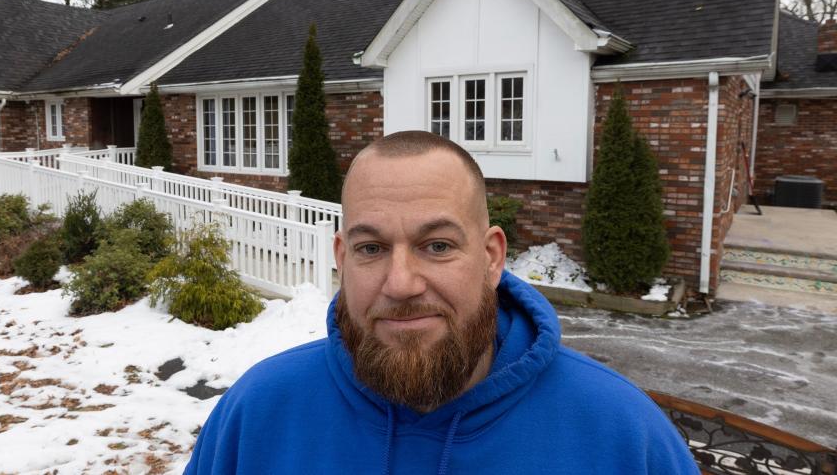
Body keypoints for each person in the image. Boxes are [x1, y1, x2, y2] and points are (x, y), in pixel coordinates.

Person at [182, 130, 699, 475]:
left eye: (438, 246)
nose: (401, 283)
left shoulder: (622, 436)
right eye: (371, 248)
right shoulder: (257, 415)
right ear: (342, 258)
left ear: (492, 258)